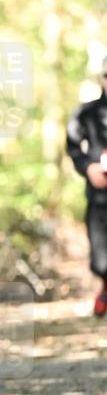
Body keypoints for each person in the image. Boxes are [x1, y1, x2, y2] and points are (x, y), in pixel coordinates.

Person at [67, 56, 107, 316]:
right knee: (101, 258)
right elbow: (72, 147)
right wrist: (89, 167)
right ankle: (105, 286)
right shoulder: (86, 113)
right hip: (99, 196)